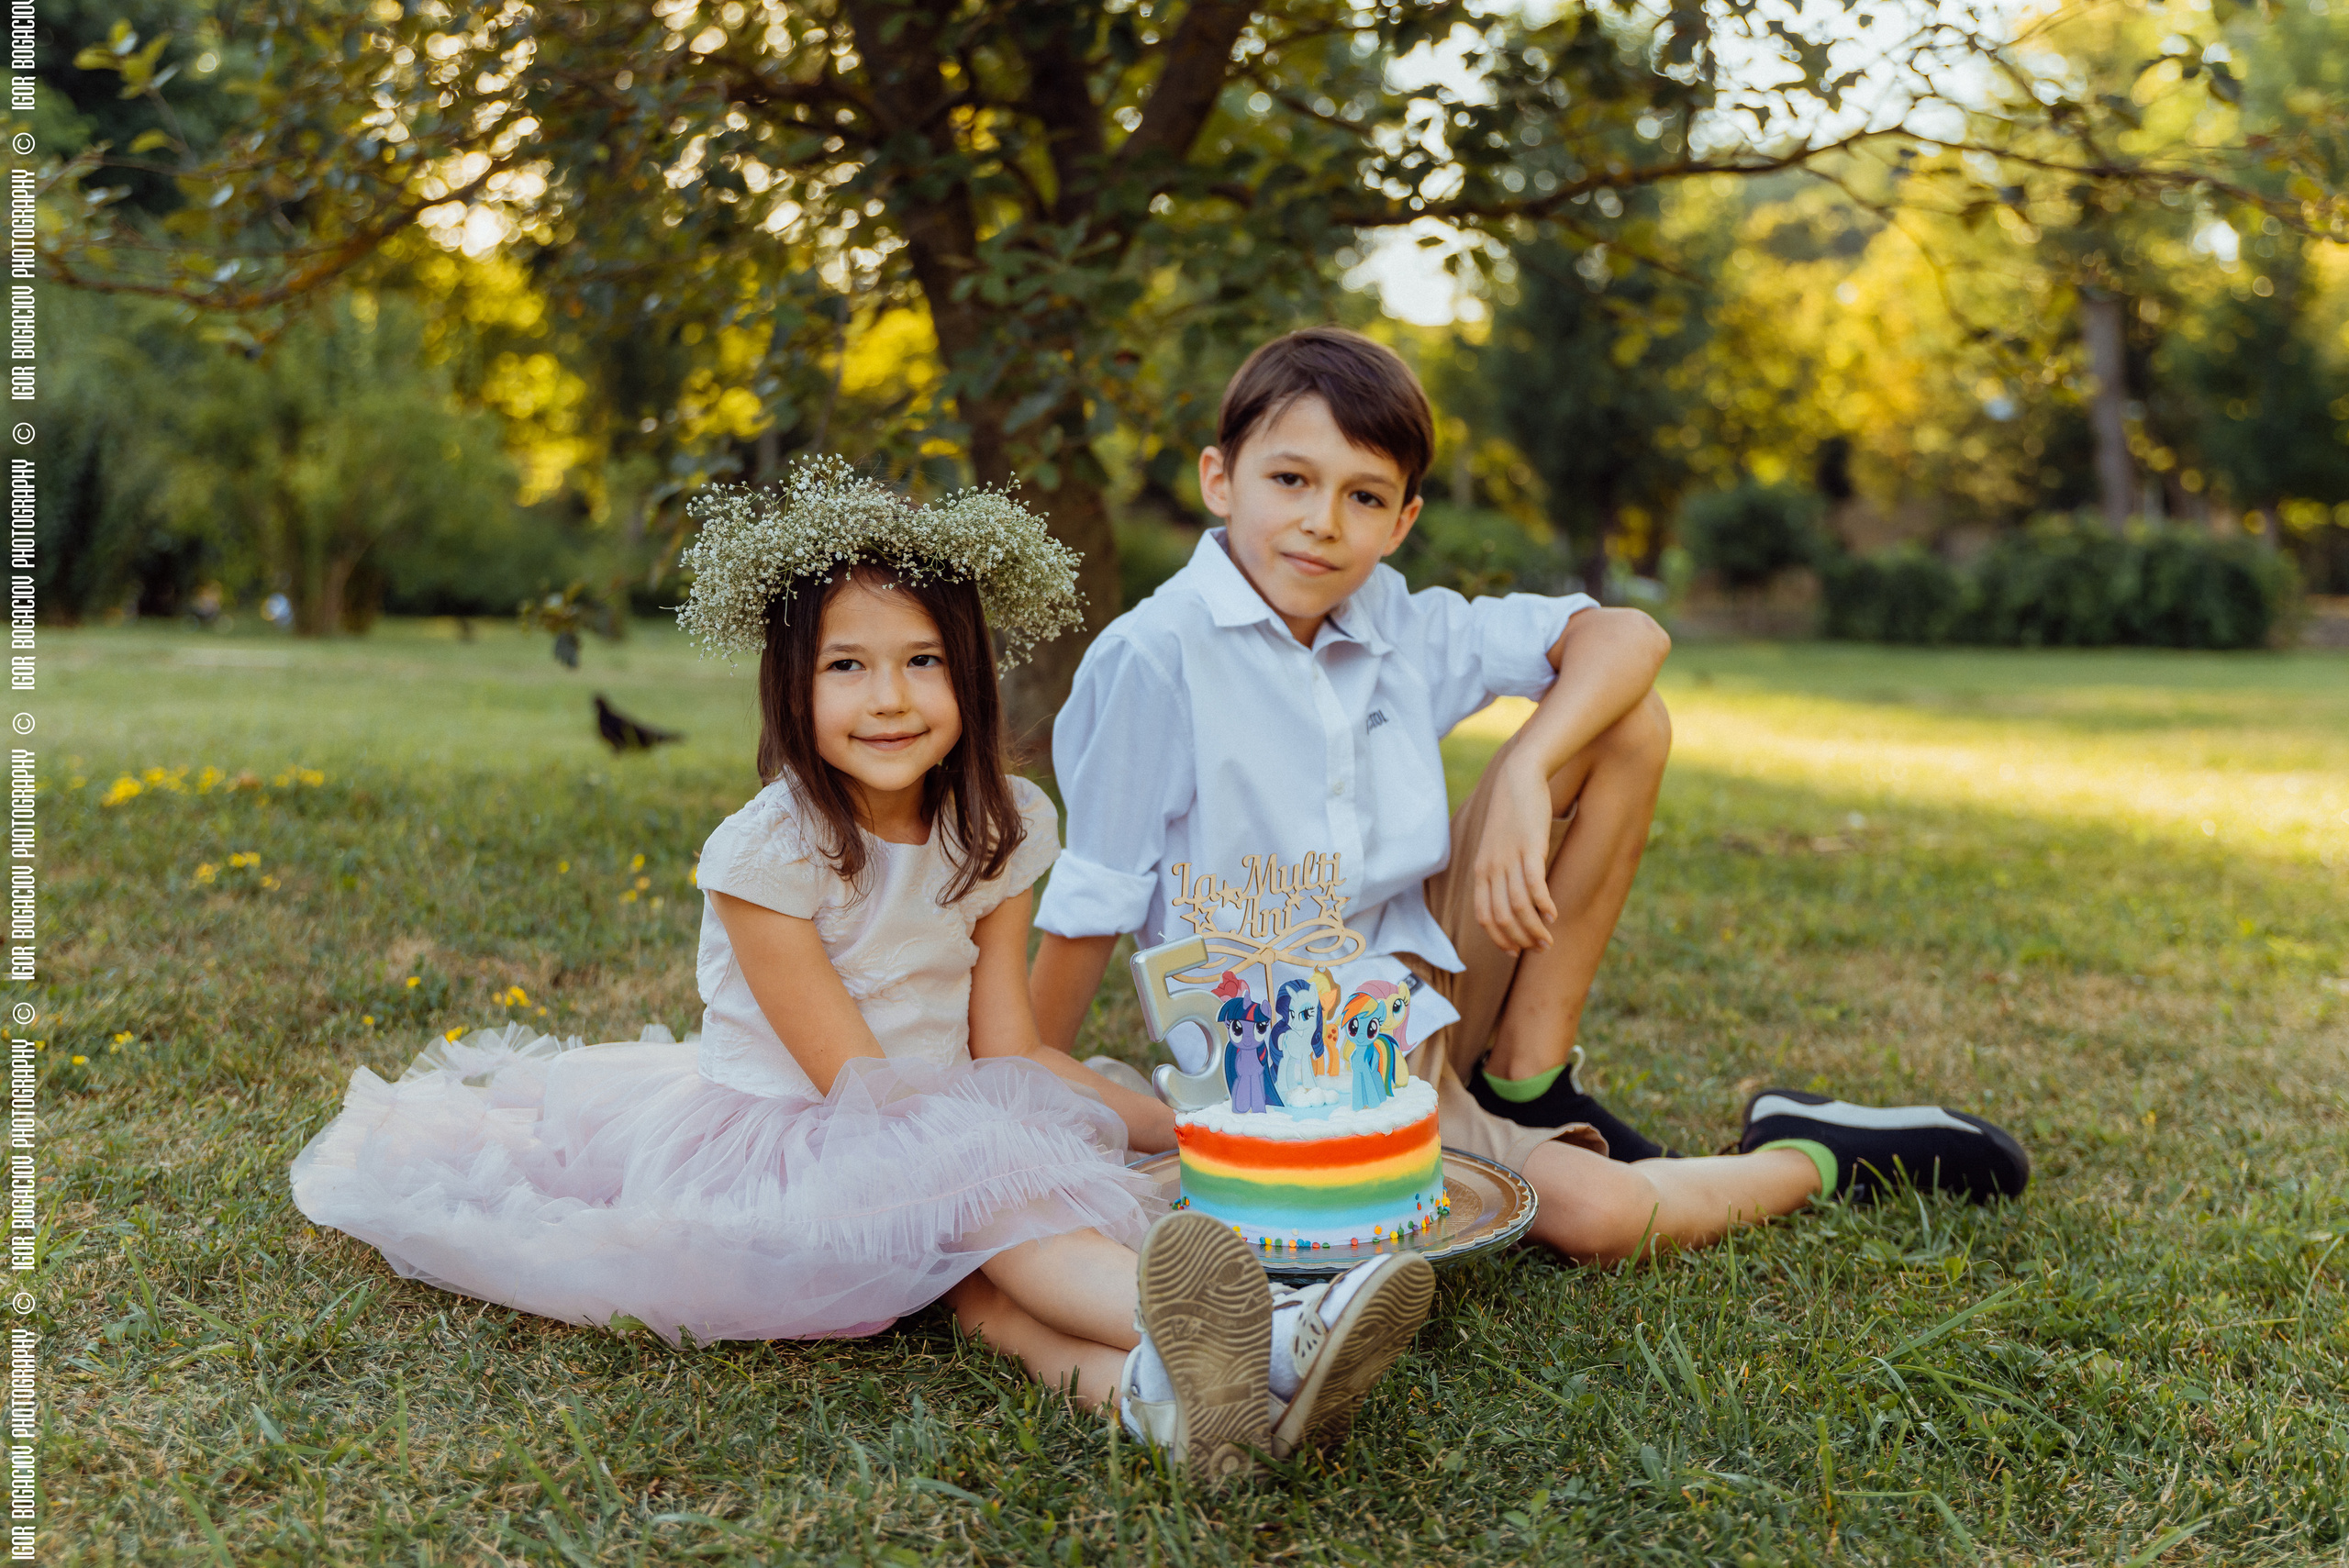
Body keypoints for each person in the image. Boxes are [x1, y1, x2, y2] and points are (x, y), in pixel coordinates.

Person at [289, 462, 1434, 1481]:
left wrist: (1181, 1124)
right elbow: (856, 1082)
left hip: (934, 1113)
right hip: (805, 1139)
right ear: (791, 685)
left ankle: (1179, 1416)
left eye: (922, 660)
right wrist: (992, 1147)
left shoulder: (1003, 826)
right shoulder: (764, 855)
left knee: (984, 1291)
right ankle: (1279, 1341)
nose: (888, 696)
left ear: (970, 675)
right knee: (1004, 1205)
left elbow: (1007, 1049)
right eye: (848, 664)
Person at [1030, 328, 2029, 1265]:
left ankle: (1531, 1083)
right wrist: (1036, 1089)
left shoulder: (1397, 622)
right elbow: (1094, 898)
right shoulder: (1154, 658)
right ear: (1221, 477)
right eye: (1289, 478)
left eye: (1365, 496)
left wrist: (1520, 766)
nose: (1321, 521)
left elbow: (1628, 635)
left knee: (1622, 718)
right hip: (1298, 1073)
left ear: (1403, 519)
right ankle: (1815, 1154)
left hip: (1420, 987)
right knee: (1600, 1218)